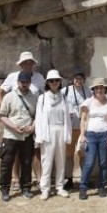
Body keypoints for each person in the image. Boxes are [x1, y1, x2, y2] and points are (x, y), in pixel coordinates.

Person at [0, 51, 45, 190]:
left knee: (34, 150)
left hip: (33, 119)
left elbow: (45, 95)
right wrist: (6, 110)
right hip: (15, 122)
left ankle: (37, 179)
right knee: (15, 152)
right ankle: (16, 179)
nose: (28, 64)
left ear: (33, 64)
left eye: (30, 62)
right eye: (25, 62)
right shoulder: (12, 77)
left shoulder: (39, 77)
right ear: (21, 64)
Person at [0, 71, 37, 202]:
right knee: (6, 162)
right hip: (10, 135)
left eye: (27, 82)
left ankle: (26, 188)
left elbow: (38, 116)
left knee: (26, 162)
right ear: (18, 82)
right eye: (22, 82)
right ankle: (4, 189)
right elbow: (2, 115)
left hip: (27, 135)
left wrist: (32, 127)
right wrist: (13, 127)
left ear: (30, 82)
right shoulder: (9, 96)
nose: (24, 84)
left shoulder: (35, 97)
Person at [77, 77, 107, 200]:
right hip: (91, 135)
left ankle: (102, 187)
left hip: (105, 134)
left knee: (103, 163)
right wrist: (83, 135)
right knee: (89, 163)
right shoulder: (88, 102)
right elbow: (83, 120)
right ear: (93, 90)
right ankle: (83, 189)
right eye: (97, 88)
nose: (99, 90)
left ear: (105, 89)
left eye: (101, 87)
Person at [35, 69, 71, 200]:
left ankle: (60, 187)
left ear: (60, 82)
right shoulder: (42, 98)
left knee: (61, 160)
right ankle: (45, 189)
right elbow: (38, 119)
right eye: (51, 81)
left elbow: (67, 117)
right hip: (47, 132)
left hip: (60, 130)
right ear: (47, 83)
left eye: (57, 80)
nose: (54, 83)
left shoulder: (64, 98)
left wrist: (68, 134)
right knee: (46, 161)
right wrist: (39, 136)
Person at [63, 69, 91, 190]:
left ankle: (84, 178)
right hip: (69, 127)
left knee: (83, 154)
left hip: (83, 128)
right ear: (72, 80)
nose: (78, 81)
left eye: (80, 79)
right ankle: (69, 179)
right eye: (76, 79)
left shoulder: (89, 92)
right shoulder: (65, 91)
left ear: (84, 80)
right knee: (68, 155)